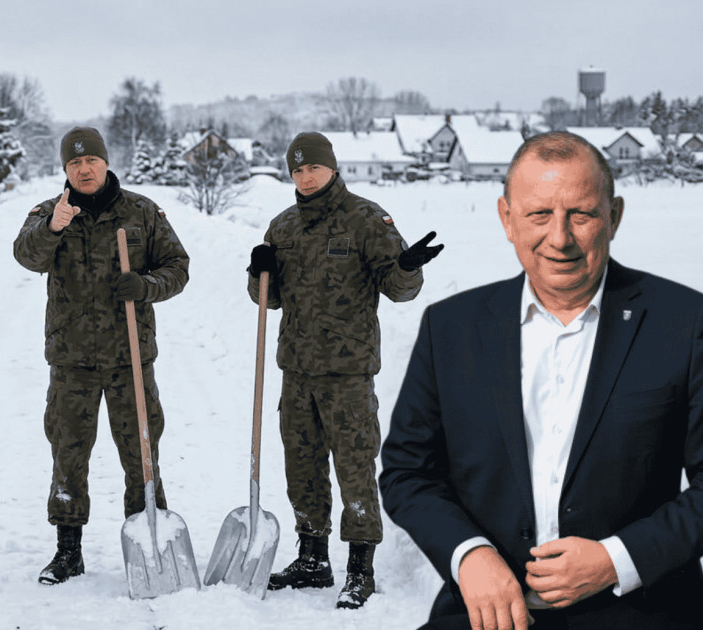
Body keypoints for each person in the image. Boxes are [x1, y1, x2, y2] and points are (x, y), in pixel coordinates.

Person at [380, 130, 703, 630]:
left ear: (613, 216)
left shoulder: (684, 323)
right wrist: (470, 556)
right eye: (538, 215)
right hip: (485, 615)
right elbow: (407, 471)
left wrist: (616, 559)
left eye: (582, 213)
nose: (560, 237)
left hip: (643, 611)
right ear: (506, 218)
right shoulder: (451, 328)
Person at [246, 131, 443, 609]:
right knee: (302, 465)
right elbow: (265, 300)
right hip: (297, 368)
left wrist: (407, 267)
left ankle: (360, 567)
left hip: (349, 371)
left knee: (354, 465)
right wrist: (258, 272)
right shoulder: (283, 226)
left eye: (313, 167)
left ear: (331, 167)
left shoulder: (366, 219)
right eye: (297, 170)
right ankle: (312, 558)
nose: (306, 177)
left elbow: (400, 290)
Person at [13, 126, 190, 585]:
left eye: (91, 160)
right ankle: (68, 550)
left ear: (106, 162)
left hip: (130, 355)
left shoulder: (142, 212)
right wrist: (54, 226)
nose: (84, 169)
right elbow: (26, 256)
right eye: (74, 164)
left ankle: (149, 541)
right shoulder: (48, 213)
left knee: (141, 449)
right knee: (68, 451)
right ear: (65, 170)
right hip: (71, 357)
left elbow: (178, 267)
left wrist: (147, 286)